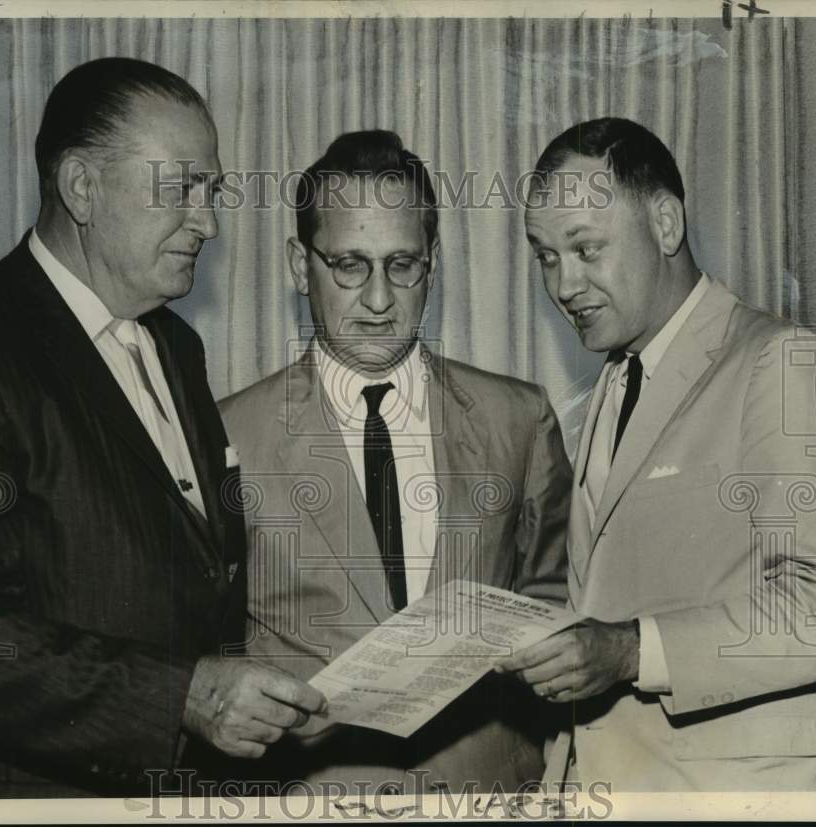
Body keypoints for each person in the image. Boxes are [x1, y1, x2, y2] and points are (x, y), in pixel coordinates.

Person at [0, 57, 326, 799]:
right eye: (180, 187)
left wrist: (253, 701)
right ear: (81, 187)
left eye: (211, 191)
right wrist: (182, 697)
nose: (209, 222)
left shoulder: (176, 345)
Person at [218, 130, 572, 795]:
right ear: (300, 265)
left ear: (432, 262)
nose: (380, 300)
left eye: (402, 264)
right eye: (349, 265)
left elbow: (554, 605)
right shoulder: (224, 435)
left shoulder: (518, 418)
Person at [499, 117, 816, 791]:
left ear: (664, 223)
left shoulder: (779, 363)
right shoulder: (616, 379)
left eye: (586, 249)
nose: (564, 286)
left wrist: (633, 650)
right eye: (545, 256)